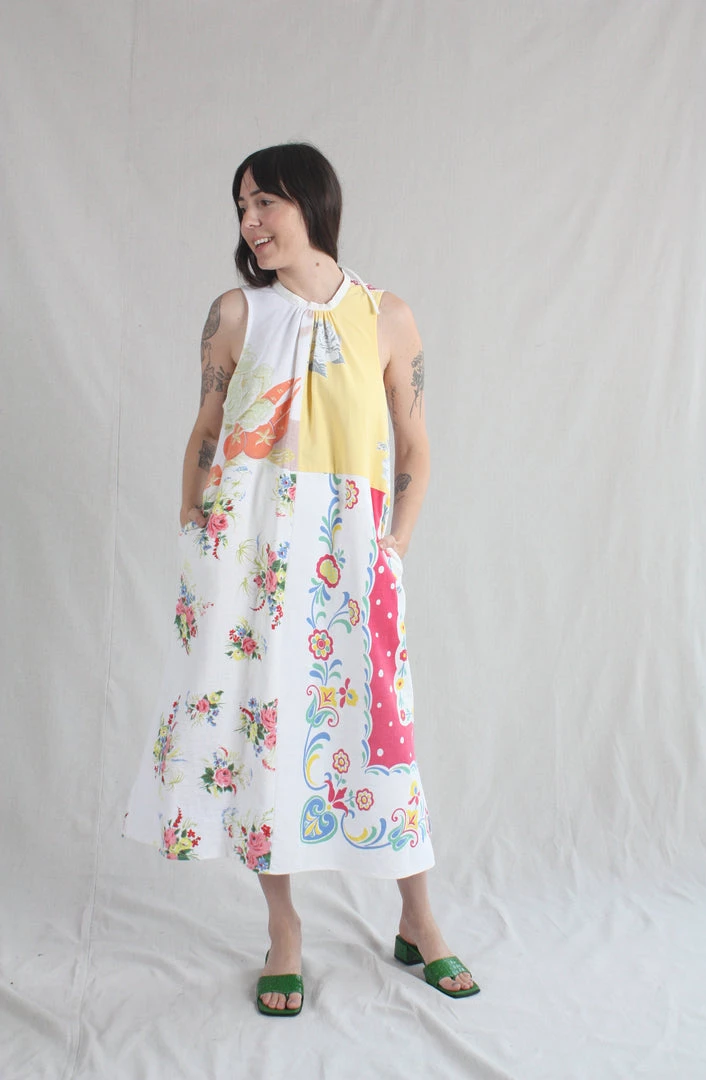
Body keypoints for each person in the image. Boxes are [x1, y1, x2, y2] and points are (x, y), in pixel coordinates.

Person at [121, 142, 479, 1014]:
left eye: (264, 203)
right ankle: (284, 930)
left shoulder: (387, 316)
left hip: (353, 553)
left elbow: (416, 443)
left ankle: (419, 919)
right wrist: (197, 541)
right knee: (267, 729)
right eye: (241, 207)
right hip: (247, 556)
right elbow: (206, 434)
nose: (250, 222)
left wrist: (393, 548)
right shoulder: (235, 313)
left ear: (311, 202)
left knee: (381, 727)